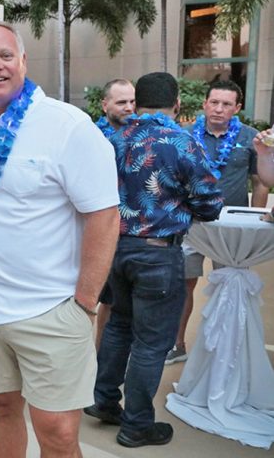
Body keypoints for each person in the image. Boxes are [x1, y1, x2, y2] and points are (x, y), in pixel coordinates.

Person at [0, 21, 120, 457]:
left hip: (49, 308)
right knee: (0, 409)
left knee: (56, 433)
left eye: (5, 56)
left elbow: (105, 214)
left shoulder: (67, 126)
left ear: (23, 61)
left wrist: (84, 303)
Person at [86, 72, 224, 447]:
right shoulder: (181, 141)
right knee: (150, 343)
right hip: (157, 254)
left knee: (118, 327)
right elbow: (209, 202)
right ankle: (137, 424)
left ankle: (103, 401)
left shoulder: (110, 138)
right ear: (176, 103)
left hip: (114, 249)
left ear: (136, 101)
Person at [166, 79, 265, 365]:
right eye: (214, 103)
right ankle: (177, 344)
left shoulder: (251, 138)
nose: (219, 109)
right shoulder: (184, 136)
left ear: (237, 108)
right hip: (192, 223)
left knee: (231, 284)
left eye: (226, 104)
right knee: (183, 283)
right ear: (205, 104)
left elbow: (259, 183)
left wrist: (255, 226)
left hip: (233, 228)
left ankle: (228, 348)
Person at [93, 78, 135, 347]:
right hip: (98, 232)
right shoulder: (91, 137)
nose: (129, 108)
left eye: (133, 101)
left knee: (124, 304)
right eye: (122, 102)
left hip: (132, 235)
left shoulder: (143, 137)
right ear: (105, 104)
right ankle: (95, 359)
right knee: (98, 301)